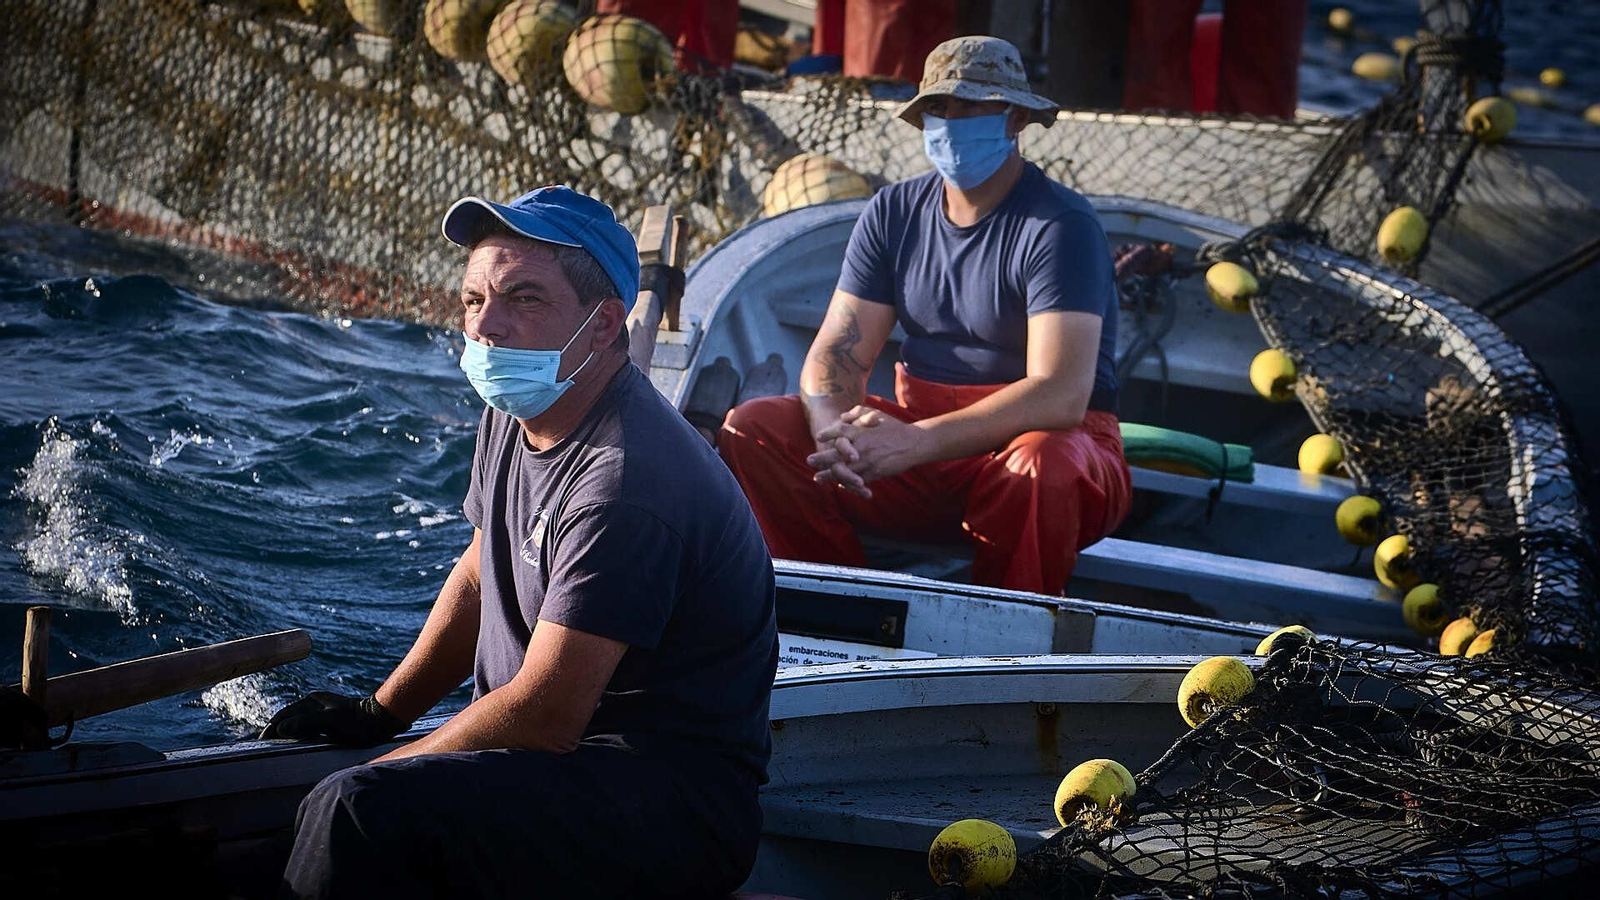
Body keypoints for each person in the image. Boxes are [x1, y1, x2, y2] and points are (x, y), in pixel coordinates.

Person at [263, 186, 778, 898]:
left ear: (602, 328)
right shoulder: (522, 410)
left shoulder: (626, 481)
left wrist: (385, 769)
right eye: (474, 300)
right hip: (555, 768)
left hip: (664, 806)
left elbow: (545, 715)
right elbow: (481, 574)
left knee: (358, 810)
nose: (487, 327)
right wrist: (380, 714)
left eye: (523, 299)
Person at [719, 36, 1132, 596]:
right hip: (921, 453)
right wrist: (836, 436)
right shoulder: (893, 211)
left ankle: (1006, 641)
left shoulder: (1061, 225)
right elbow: (837, 349)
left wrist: (912, 444)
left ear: (1014, 119)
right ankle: (833, 603)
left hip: (1038, 453)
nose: (953, 121)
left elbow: (1061, 396)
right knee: (755, 428)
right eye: (939, 108)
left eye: (974, 106)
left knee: (1043, 462)